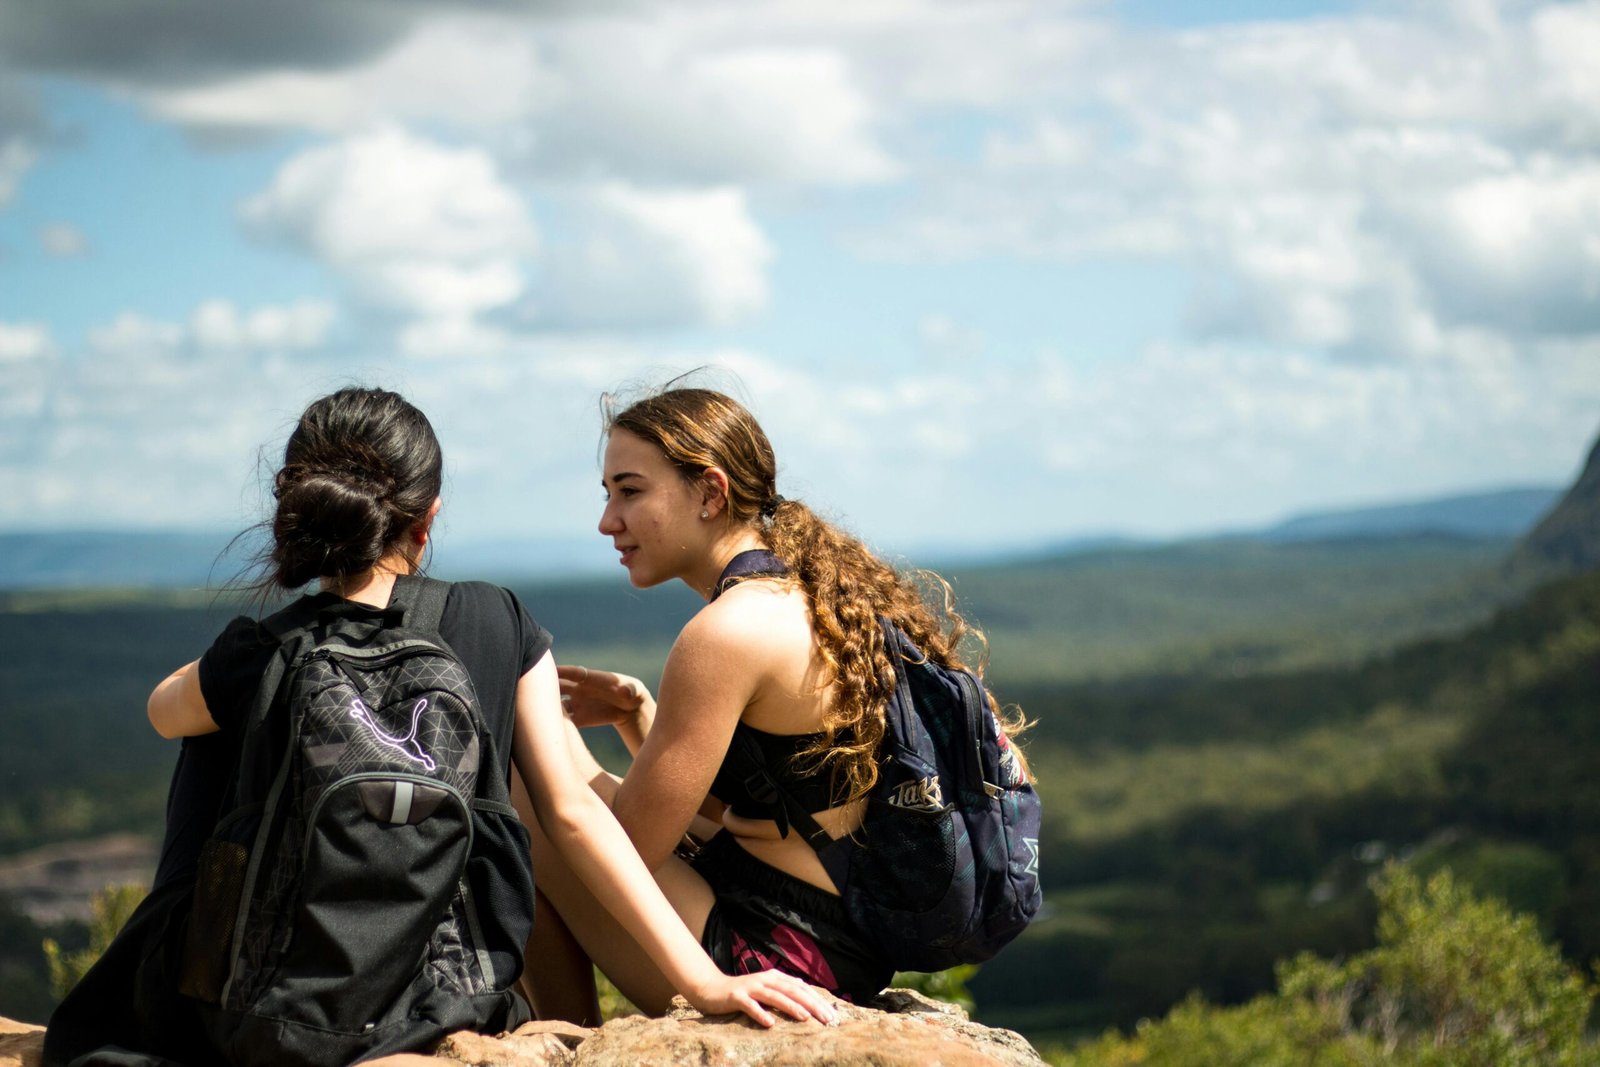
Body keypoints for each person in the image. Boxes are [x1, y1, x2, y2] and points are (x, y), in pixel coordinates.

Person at [44, 387, 834, 1067]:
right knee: (522, 772)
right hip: (449, 998)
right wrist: (702, 983)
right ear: (427, 519)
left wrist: (252, 660)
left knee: (211, 729)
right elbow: (571, 812)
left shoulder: (268, 649)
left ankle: (199, 975)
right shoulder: (495, 618)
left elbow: (161, 709)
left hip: (271, 1013)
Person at [526, 384, 1030, 1020]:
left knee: (525, 783)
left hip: (770, 957)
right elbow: (757, 804)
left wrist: (547, 735)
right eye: (608, 494)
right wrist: (637, 716)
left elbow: (628, 845)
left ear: (710, 493)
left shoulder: (726, 632)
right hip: (831, 943)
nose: (608, 520)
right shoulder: (812, 597)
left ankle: (562, 1044)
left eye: (630, 491)